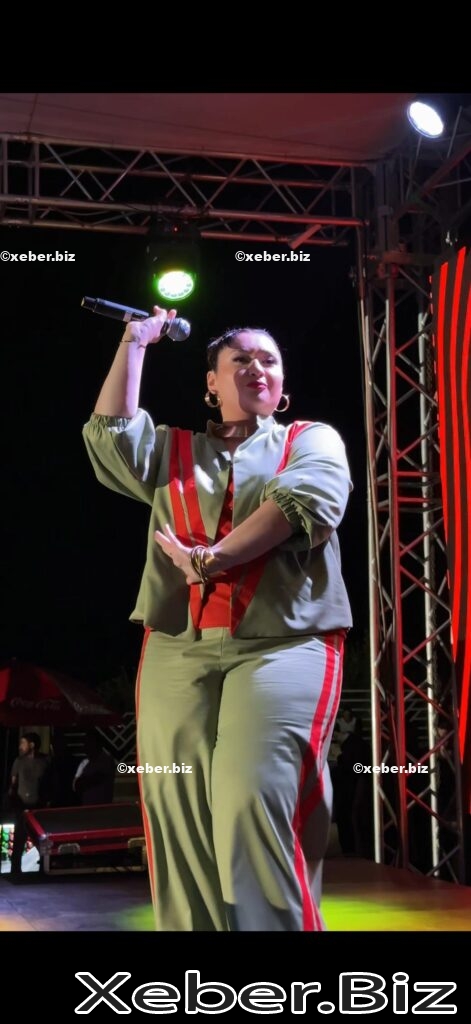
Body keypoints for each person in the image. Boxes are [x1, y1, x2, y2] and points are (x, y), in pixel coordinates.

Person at [82, 305, 353, 931]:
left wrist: (211, 558)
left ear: (282, 382)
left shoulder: (310, 439)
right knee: (175, 809)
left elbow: (305, 501)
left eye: (269, 360)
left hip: (285, 644)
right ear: (212, 381)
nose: (257, 368)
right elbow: (111, 435)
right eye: (241, 359)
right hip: (179, 646)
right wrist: (135, 341)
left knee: (252, 800)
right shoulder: (176, 449)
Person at [8, 732, 49, 876]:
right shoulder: (19, 761)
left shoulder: (45, 761)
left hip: (38, 808)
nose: (20, 747)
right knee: (19, 839)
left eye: (23, 743)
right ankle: (15, 871)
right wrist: (14, 802)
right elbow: (13, 784)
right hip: (22, 807)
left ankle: (43, 870)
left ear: (32, 745)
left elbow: (49, 783)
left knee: (41, 840)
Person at [72, 730, 115, 805]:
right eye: (85, 743)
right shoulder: (84, 763)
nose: (85, 746)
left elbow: (95, 779)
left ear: (97, 744)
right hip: (87, 807)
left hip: (102, 807)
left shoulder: (106, 761)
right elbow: (75, 785)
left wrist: (84, 781)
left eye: (89, 742)